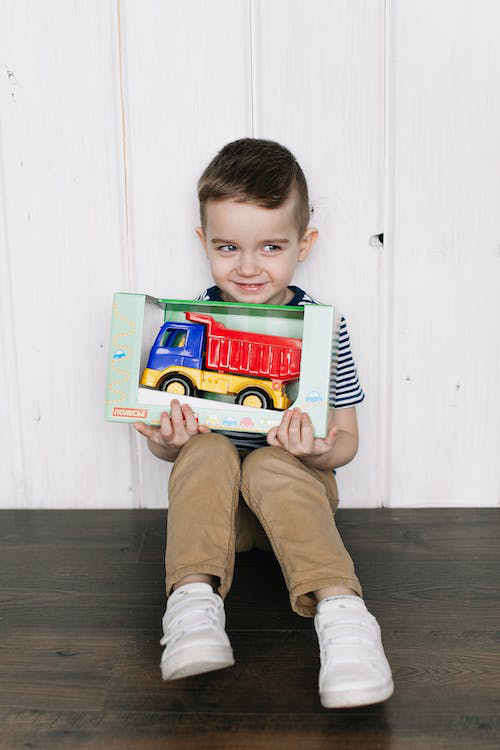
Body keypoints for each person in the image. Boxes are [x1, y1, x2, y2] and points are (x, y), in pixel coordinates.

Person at [134, 138, 394, 709]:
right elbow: (171, 454)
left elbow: (348, 440)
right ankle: (191, 606)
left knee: (273, 461)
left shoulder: (323, 329)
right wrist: (168, 443)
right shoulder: (191, 323)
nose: (248, 267)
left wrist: (320, 451)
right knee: (205, 451)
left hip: (296, 501)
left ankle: (345, 617)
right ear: (203, 242)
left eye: (271, 246)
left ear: (306, 244)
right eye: (228, 247)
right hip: (223, 520)